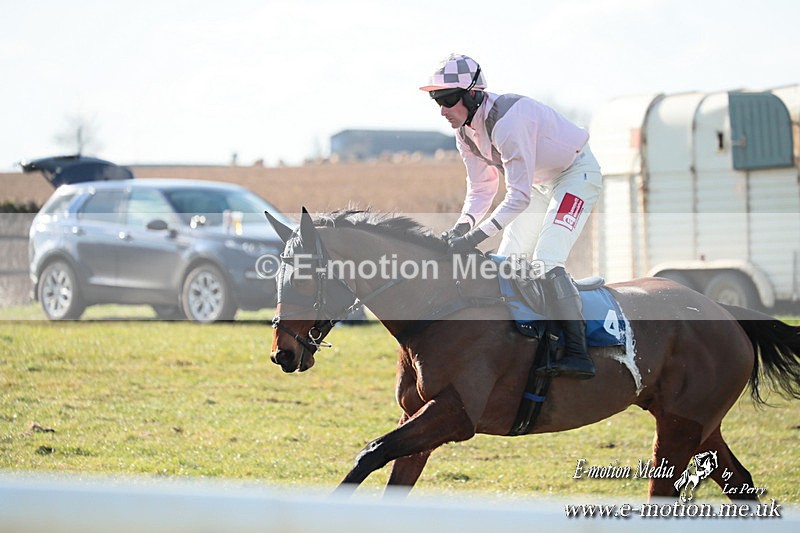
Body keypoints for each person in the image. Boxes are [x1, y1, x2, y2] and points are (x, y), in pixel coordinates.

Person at [421, 53, 602, 379]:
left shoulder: (508, 123)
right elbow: (481, 189)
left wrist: (476, 237)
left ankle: (578, 353)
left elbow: (516, 196)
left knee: (545, 261)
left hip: (576, 175)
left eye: (448, 99)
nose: (443, 110)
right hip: (539, 185)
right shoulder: (464, 132)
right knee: (510, 261)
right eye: (437, 100)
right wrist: (461, 227)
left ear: (473, 93)